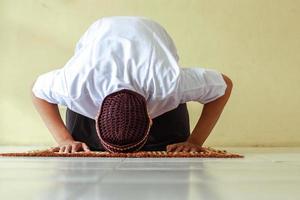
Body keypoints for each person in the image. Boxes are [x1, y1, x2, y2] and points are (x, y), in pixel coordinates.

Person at [31, 16, 232, 153]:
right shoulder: (76, 86)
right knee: (85, 146)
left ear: (152, 119)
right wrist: (64, 140)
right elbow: (37, 92)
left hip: (149, 38)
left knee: (166, 144)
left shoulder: (169, 85)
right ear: (95, 115)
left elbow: (225, 85)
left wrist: (194, 142)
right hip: (100, 40)